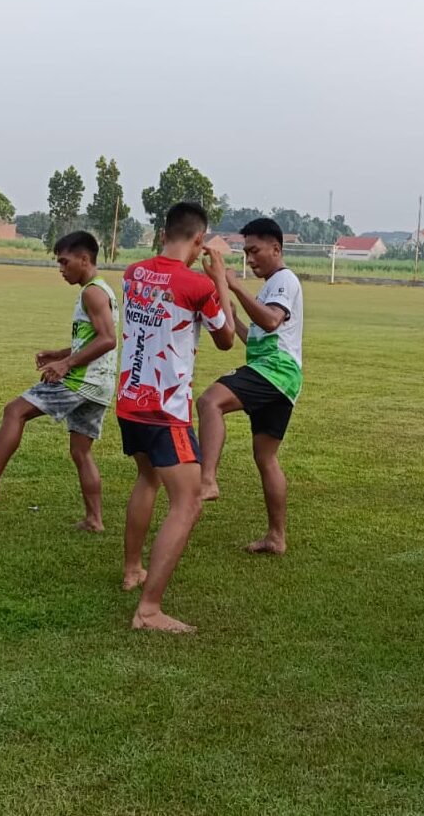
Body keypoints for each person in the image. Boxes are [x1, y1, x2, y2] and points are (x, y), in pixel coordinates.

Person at [115, 202, 235, 633]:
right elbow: (226, 338)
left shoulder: (133, 273)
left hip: (130, 401)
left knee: (147, 479)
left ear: (163, 233)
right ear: (200, 240)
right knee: (189, 501)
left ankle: (133, 569)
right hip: (165, 411)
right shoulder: (197, 285)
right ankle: (148, 611)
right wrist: (219, 280)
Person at [0, 231, 118, 531]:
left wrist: (66, 364)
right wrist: (60, 353)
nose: (61, 269)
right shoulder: (101, 289)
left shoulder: (92, 292)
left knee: (15, 411)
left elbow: (108, 340)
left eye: (64, 262)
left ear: (84, 259)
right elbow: (94, 340)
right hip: (100, 384)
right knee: (81, 451)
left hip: (81, 381)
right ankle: (95, 520)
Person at [197, 217, 304, 555]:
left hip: (276, 371)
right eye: (246, 253)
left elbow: (271, 321)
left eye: (255, 251)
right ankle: (276, 537)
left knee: (210, 401)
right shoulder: (270, 286)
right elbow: (256, 337)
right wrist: (234, 311)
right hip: (277, 374)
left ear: (277, 248)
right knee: (266, 457)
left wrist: (233, 286)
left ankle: (207, 479)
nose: (250, 259)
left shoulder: (284, 280)